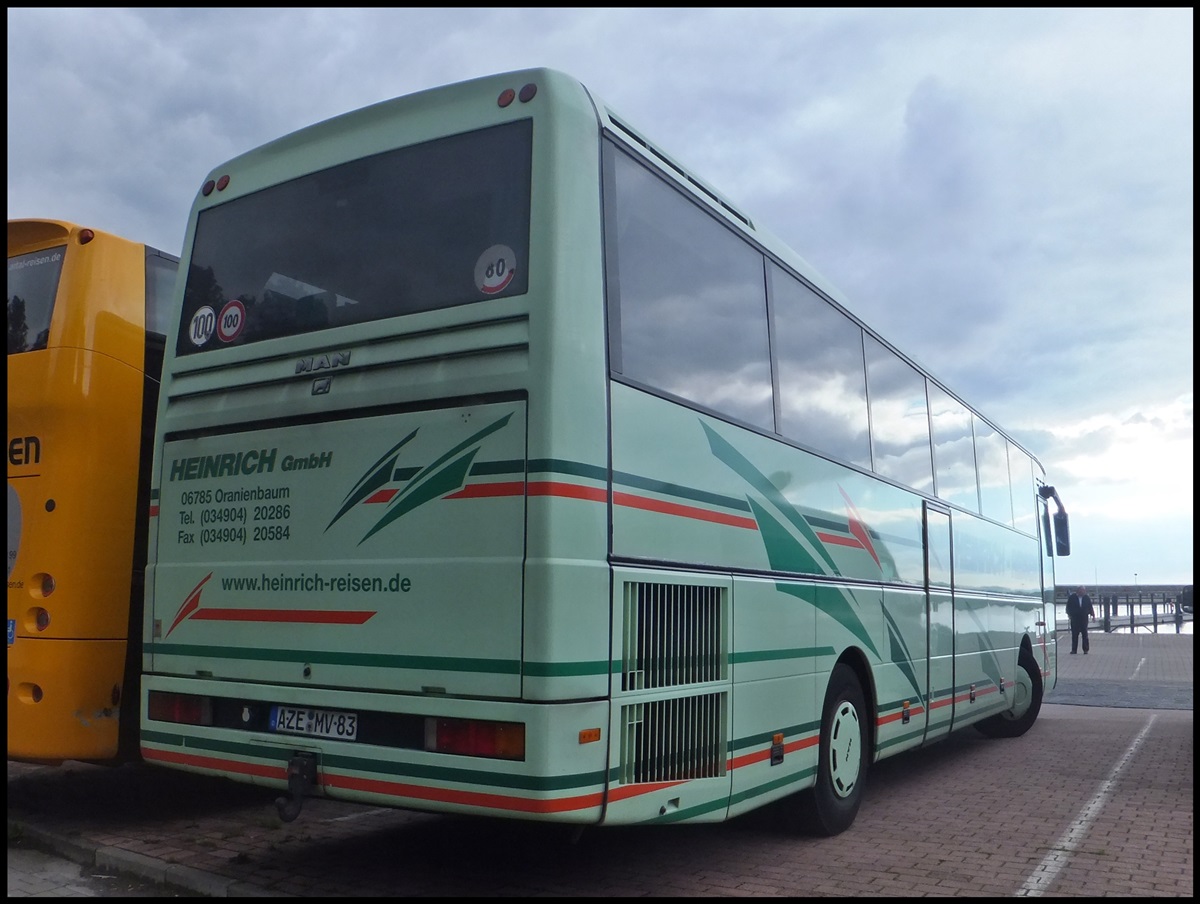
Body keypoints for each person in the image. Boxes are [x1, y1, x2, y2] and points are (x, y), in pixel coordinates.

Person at [1065, 585, 1095, 654]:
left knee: (1085, 634)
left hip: (1084, 618)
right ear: (1078, 590)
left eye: (1084, 590)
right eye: (1082, 590)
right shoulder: (1072, 597)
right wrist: (1070, 614)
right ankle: (1074, 650)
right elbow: (1068, 607)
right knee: (1074, 635)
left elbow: (1090, 607)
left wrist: (1093, 615)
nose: (1083, 592)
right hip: (1075, 618)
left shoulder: (1086, 598)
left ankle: (1085, 649)